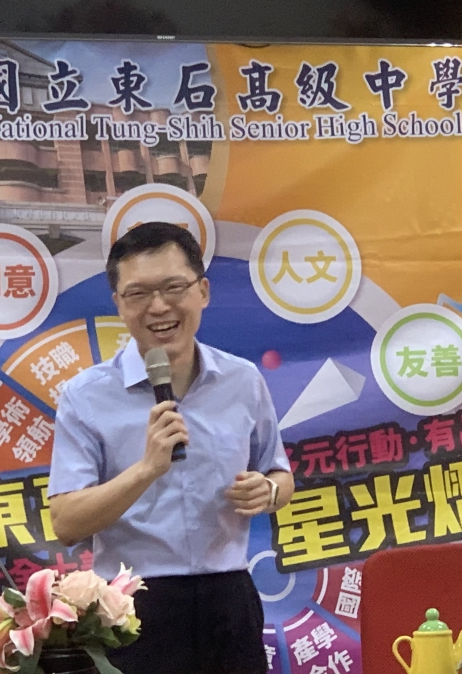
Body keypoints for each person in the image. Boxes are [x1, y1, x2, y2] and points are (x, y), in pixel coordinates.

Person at [49, 222, 294, 674]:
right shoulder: (86, 396)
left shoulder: (243, 381)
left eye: (173, 287)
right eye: (138, 294)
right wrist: (145, 469)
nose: (159, 306)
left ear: (203, 291)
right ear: (119, 303)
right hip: (130, 607)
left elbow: (279, 472)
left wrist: (270, 490)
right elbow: (66, 522)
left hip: (228, 598)